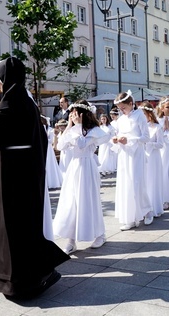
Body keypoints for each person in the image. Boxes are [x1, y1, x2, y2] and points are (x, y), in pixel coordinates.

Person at [0, 57, 69, 299]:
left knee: (15, 228)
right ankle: (35, 273)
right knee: (21, 226)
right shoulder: (25, 100)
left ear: (5, 78)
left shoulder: (11, 101)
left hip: (14, 177)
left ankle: (22, 281)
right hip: (25, 173)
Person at [53, 100, 108, 254]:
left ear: (82, 114)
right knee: (71, 202)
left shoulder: (94, 130)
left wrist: (76, 126)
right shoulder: (73, 129)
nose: (72, 115)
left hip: (87, 167)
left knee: (89, 200)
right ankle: (70, 239)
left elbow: (83, 144)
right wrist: (70, 126)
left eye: (75, 113)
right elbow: (60, 146)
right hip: (74, 167)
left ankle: (100, 234)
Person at [112, 90, 153, 230]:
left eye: (124, 108)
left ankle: (147, 211)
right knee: (126, 184)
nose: (122, 111)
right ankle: (130, 217)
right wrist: (116, 140)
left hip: (137, 155)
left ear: (131, 104)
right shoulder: (121, 120)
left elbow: (146, 137)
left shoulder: (139, 116)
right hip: (124, 155)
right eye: (119, 109)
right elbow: (118, 134)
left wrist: (129, 139)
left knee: (137, 183)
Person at [138, 101, 164, 217]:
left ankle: (154, 207)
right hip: (143, 156)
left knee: (153, 181)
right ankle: (145, 208)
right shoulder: (140, 127)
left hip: (153, 157)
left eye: (144, 114)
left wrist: (151, 144)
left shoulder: (157, 127)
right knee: (145, 181)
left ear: (149, 114)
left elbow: (161, 144)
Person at [41, 115, 63, 189]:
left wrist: (45, 138)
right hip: (42, 148)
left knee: (49, 163)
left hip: (49, 149)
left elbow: (51, 141)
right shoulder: (40, 129)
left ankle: (51, 181)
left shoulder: (50, 130)